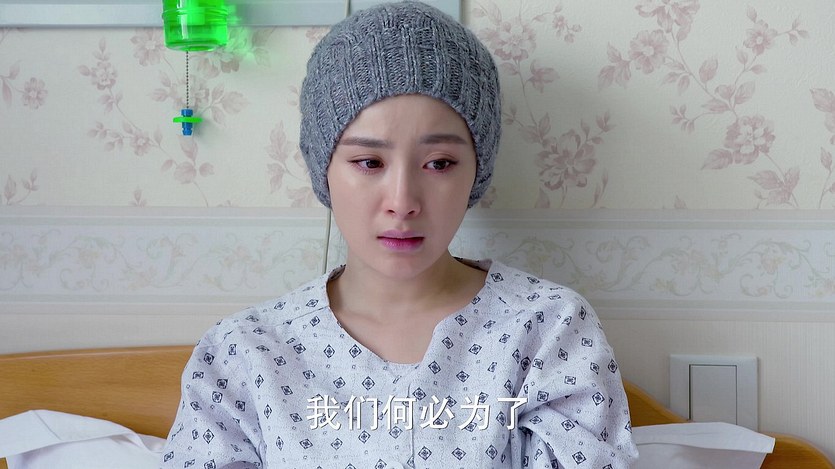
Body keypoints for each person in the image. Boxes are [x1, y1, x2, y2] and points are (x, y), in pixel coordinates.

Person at [160, 2, 638, 468]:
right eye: (369, 162)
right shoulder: (245, 355)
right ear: (323, 168)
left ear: (478, 169)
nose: (403, 200)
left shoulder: (548, 331)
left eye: (439, 163)